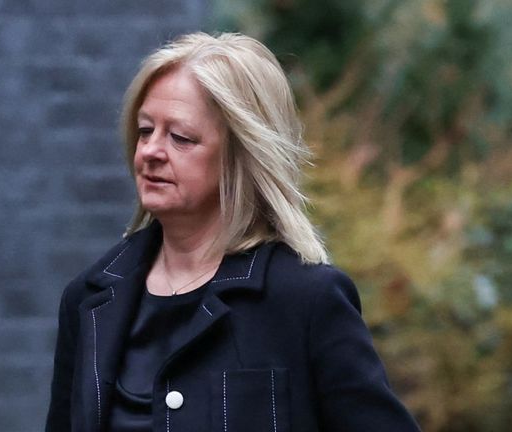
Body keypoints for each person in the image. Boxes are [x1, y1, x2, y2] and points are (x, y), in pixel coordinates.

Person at [45, 32, 420, 432]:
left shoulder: (307, 300)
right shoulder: (89, 300)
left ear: (242, 155)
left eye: (180, 137)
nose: (151, 150)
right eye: (144, 130)